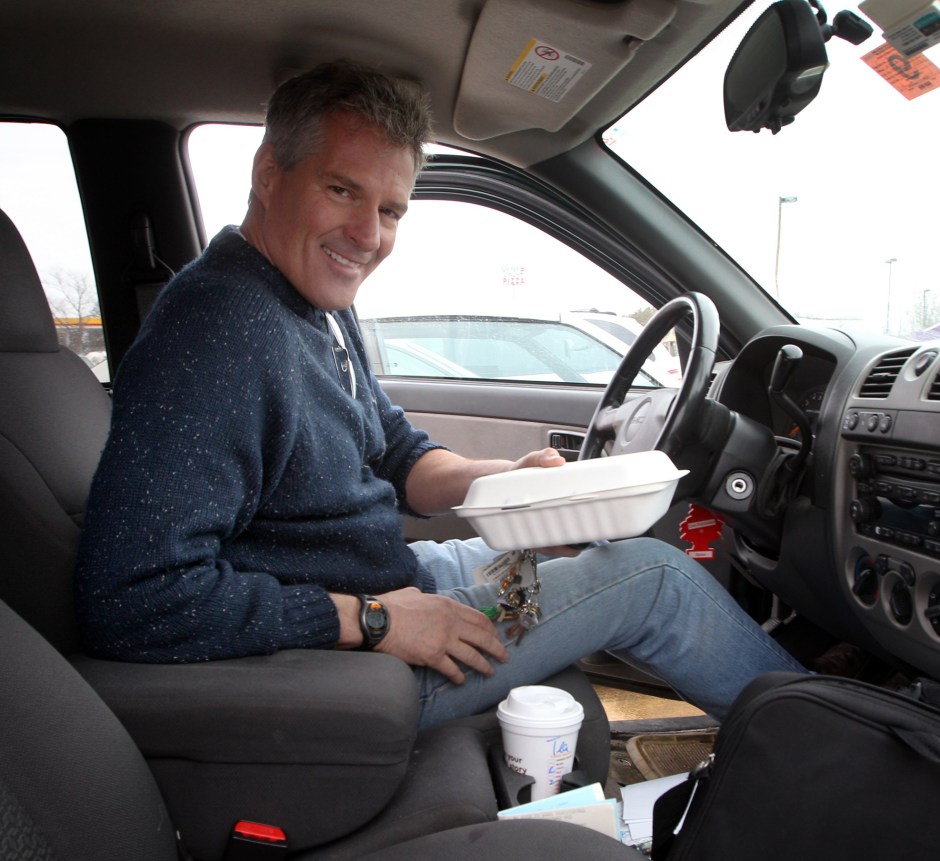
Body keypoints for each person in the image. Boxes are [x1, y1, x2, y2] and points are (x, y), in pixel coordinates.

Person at [75, 60, 804, 730]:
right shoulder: (217, 334)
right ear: (270, 172)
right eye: (342, 190)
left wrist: (510, 486)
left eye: (391, 210)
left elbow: (394, 450)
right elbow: (130, 597)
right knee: (652, 582)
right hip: (366, 668)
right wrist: (378, 621)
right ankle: (837, 737)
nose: (366, 234)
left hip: (413, 580)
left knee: (578, 545)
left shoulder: (309, 298)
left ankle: (808, 694)